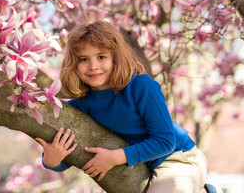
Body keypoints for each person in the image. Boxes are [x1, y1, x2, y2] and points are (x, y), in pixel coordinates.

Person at [35, 20, 208, 193]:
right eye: (84, 59)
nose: (93, 66)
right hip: (134, 166)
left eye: (101, 57)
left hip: (176, 158)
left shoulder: (141, 86)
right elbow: (71, 148)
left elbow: (165, 141)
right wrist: (51, 161)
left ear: (116, 57)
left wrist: (116, 157)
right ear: (73, 64)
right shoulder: (80, 104)